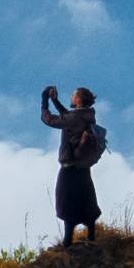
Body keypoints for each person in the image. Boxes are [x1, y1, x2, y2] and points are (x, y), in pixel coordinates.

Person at [41, 84, 107, 249]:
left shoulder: (75, 118)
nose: (71, 97)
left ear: (78, 99)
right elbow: (69, 116)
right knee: (86, 199)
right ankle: (91, 237)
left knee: (67, 201)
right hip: (83, 167)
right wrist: (56, 101)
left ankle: (68, 243)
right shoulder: (87, 116)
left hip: (70, 166)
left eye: (73, 95)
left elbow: (50, 120)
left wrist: (45, 101)